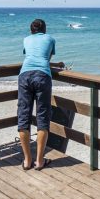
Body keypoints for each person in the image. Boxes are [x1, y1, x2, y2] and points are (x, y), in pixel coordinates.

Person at [17, 18, 64, 171]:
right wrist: (56, 66)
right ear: (45, 29)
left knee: (23, 116)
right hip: (42, 75)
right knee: (42, 117)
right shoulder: (50, 39)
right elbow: (45, 58)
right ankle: (39, 161)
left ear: (31, 30)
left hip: (25, 75)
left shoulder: (26, 39)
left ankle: (27, 160)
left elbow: (30, 57)